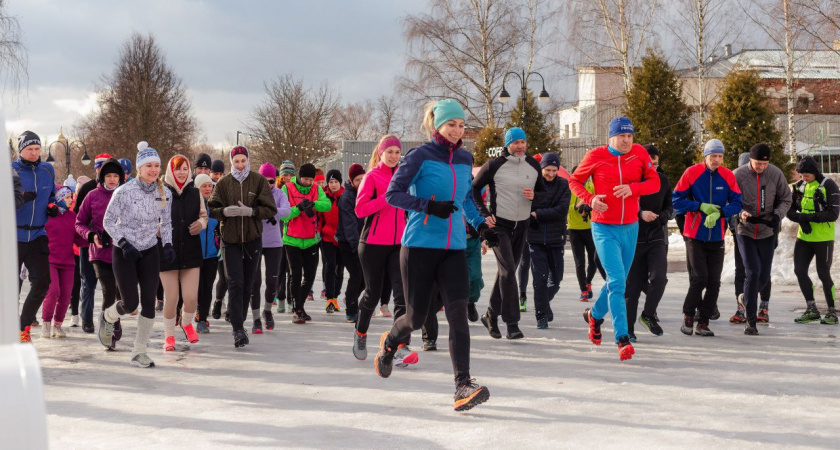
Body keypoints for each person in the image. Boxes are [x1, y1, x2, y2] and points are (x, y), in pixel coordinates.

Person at [382, 99, 495, 411]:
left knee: (458, 313)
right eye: (451, 125)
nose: (458, 130)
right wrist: (429, 206)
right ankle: (390, 343)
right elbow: (393, 194)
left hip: (454, 248)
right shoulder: (420, 155)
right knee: (416, 318)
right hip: (419, 246)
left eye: (461, 125)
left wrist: (481, 226)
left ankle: (462, 384)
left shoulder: (465, 157)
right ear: (437, 125)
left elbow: (467, 198)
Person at [569, 117, 659, 361]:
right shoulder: (595, 156)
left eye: (630, 136)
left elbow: (654, 183)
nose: (627, 141)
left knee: (616, 282)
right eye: (622, 136)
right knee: (618, 282)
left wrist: (633, 188)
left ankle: (594, 316)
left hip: (630, 227)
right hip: (603, 227)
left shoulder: (639, 153)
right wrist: (590, 199)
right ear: (611, 137)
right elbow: (574, 181)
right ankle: (622, 338)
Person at [99, 142, 173, 367]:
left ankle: (139, 351)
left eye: (156, 166)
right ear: (139, 168)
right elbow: (108, 221)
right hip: (125, 251)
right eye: (148, 165)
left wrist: (168, 245)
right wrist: (123, 242)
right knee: (130, 304)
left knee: (149, 302)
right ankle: (108, 316)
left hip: (149, 249)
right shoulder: (124, 191)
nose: (153, 170)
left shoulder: (164, 193)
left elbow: (166, 222)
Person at [472, 127, 545, 340]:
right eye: (516, 143)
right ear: (508, 144)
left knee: (507, 272)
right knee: (508, 271)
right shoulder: (494, 165)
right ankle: (512, 324)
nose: (520, 146)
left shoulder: (533, 165)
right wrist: (484, 214)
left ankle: (490, 315)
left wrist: (535, 196)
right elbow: (473, 189)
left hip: (522, 226)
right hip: (499, 226)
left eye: (523, 142)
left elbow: (543, 193)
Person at [208, 146, 277, 347]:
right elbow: (212, 208)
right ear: (232, 162)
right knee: (235, 282)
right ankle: (237, 328)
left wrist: (252, 211)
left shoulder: (258, 180)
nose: (240, 165)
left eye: (243, 161)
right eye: (236, 161)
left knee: (248, 283)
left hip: (252, 239)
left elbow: (270, 209)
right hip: (230, 240)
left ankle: (240, 319)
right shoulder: (223, 182)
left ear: (248, 161)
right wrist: (224, 212)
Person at [673, 139, 742, 337]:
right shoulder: (692, 173)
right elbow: (676, 200)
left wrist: (720, 212)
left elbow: (737, 202)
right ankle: (688, 315)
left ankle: (703, 322)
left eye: (720, 156)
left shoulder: (727, 176)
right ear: (705, 156)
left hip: (717, 235)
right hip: (694, 234)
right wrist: (699, 206)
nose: (716, 160)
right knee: (699, 278)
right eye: (713, 156)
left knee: (714, 281)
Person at [352, 135, 412, 364]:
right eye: (390, 152)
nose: (394, 156)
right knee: (373, 294)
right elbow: (360, 210)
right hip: (372, 244)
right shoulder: (372, 177)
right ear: (380, 153)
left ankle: (401, 346)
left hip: (398, 244)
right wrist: (387, 199)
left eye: (397, 152)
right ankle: (360, 333)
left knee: (401, 294)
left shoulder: (404, 177)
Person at [732, 143, 791, 335]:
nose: (761, 167)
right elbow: (729, 200)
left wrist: (777, 215)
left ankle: (745, 299)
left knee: (764, 276)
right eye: (758, 163)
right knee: (752, 271)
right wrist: (740, 213)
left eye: (764, 164)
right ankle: (751, 322)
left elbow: (786, 198)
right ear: (750, 160)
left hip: (767, 230)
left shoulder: (775, 174)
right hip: (745, 230)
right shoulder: (738, 175)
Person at [159, 154, 208, 351]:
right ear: (171, 171)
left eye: (185, 169)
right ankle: (169, 335)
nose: (181, 172)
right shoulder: (160, 191)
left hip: (191, 251)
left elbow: (204, 216)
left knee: (191, 298)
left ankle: (186, 323)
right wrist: (157, 229)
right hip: (167, 252)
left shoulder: (195, 193)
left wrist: (201, 224)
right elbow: (152, 217)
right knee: (171, 298)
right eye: (177, 169)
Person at [75, 158, 126, 347]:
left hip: (122, 252)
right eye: (108, 176)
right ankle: (108, 331)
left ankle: (113, 318)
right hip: (100, 252)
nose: (112, 179)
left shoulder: (126, 195)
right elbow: (79, 222)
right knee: (109, 290)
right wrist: (90, 235)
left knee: (124, 296)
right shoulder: (92, 196)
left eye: (115, 176)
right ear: (102, 177)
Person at [624, 145, 672, 341]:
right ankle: (628, 329)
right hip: (633, 237)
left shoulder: (662, 180)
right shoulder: (630, 179)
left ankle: (648, 314)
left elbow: (670, 206)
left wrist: (663, 216)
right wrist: (640, 213)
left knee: (659, 278)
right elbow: (622, 204)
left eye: (656, 163)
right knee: (633, 287)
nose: (653, 166)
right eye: (649, 163)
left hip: (656, 236)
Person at [13, 131, 57, 342]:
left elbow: (52, 195)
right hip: (13, 235)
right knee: (10, 287)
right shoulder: (10, 170)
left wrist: (53, 206)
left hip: (38, 233)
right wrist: (20, 199)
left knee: (42, 282)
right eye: (29, 149)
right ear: (20, 150)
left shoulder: (47, 170)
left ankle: (23, 326)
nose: (34, 153)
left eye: (37, 149)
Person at [789, 156, 840, 324]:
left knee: (823, 273)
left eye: (807, 175)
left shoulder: (828, 185)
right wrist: (801, 220)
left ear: (815, 172)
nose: (804, 178)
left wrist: (808, 217)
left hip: (823, 238)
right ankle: (811, 309)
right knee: (799, 270)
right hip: (804, 237)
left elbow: (833, 214)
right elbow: (790, 210)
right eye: (801, 175)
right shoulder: (799, 186)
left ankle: (832, 312)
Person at [279, 163, 330, 324]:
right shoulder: (287, 188)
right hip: (292, 239)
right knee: (295, 275)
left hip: (311, 239)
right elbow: (283, 214)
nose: (308, 182)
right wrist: (298, 208)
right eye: (305, 179)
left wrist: (314, 204)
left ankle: (299, 306)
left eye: (310, 179)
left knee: (309, 276)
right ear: (299, 177)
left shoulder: (316, 188)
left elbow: (327, 205)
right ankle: (296, 309)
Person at [525, 152, 570, 330]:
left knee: (556, 279)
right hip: (535, 238)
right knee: (540, 278)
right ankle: (541, 315)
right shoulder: (532, 184)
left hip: (555, 238)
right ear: (541, 168)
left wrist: (538, 213)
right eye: (547, 170)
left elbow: (561, 209)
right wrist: (534, 212)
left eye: (554, 170)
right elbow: (526, 207)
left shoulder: (563, 184)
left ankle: (543, 302)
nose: (551, 174)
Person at [728, 152, 771, 324]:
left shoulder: (767, 182)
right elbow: (730, 206)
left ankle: (763, 306)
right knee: (741, 270)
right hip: (742, 233)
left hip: (764, 233)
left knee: (762, 270)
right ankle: (742, 307)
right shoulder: (736, 182)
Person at [73, 154, 113, 333]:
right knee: (88, 282)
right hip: (87, 243)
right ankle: (87, 318)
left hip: (111, 246)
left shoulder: (119, 190)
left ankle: (110, 321)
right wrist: (91, 232)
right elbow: (78, 215)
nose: (102, 172)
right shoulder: (88, 189)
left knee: (109, 286)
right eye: (99, 168)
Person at [249, 163, 290, 333]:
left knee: (272, 280)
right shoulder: (252, 193)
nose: (268, 184)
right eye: (264, 180)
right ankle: (256, 318)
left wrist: (270, 211)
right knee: (255, 281)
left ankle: (267, 311)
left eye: (271, 181)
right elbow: (249, 210)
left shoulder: (279, 194)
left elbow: (286, 211)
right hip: (255, 240)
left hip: (274, 242)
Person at [41, 186, 76, 339]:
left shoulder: (73, 216)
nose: (70, 200)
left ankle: (58, 325)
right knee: (53, 291)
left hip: (68, 262)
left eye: (71, 197)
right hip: (50, 260)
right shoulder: (47, 216)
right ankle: (46, 323)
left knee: (66, 294)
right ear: (59, 199)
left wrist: (91, 236)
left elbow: (79, 237)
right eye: (67, 197)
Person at [567, 167, 606, 302]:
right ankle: (583, 290)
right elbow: (564, 208)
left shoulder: (591, 187)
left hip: (590, 228)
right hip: (574, 229)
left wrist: (591, 205)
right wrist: (577, 206)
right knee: (579, 262)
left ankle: (588, 282)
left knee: (593, 259)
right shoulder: (569, 188)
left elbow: (600, 203)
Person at [336, 163, 366, 323]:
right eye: (357, 180)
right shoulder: (347, 197)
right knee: (356, 275)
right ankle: (351, 311)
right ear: (351, 181)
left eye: (362, 179)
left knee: (366, 278)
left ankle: (349, 298)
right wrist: (356, 247)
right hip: (348, 243)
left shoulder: (366, 192)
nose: (360, 182)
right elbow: (349, 224)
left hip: (362, 241)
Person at [195, 174, 219, 333]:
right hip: (194, 254)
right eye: (204, 186)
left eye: (210, 186)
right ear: (197, 188)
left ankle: (202, 319)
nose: (208, 189)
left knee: (207, 287)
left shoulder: (215, 206)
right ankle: (189, 311)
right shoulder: (192, 207)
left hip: (212, 254)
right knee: (195, 288)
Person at [318, 169, 344, 313]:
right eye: (331, 182)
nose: (333, 185)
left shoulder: (345, 196)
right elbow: (320, 216)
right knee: (330, 265)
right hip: (327, 237)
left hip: (342, 238)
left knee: (339, 269)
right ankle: (329, 298)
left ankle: (335, 297)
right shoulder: (323, 196)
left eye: (336, 182)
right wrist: (319, 231)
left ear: (340, 182)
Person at [274, 160, 296, 313]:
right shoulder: (276, 191)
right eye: (285, 175)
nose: (287, 178)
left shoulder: (295, 190)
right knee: (279, 270)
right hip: (277, 234)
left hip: (291, 235)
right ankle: (280, 297)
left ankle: (290, 299)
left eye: (290, 175)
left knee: (291, 270)